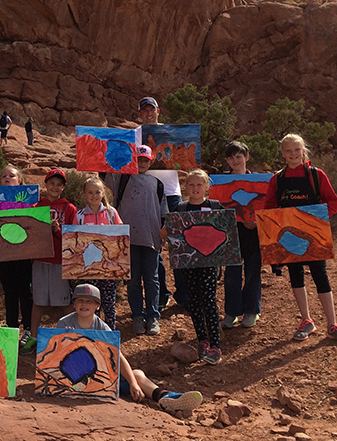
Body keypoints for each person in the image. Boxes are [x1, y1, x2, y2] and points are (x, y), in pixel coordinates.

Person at [263, 134, 337, 344]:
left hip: (313, 235)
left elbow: (333, 202)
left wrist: (318, 221)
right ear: (283, 153)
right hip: (289, 238)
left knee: (320, 274)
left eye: (297, 150)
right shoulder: (278, 179)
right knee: (296, 276)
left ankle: (332, 324)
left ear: (303, 151)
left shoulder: (316, 175)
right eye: (288, 151)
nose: (293, 154)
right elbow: (269, 207)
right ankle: (306, 320)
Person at [57, 284, 203, 413]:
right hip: (73, 381)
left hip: (100, 380)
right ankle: (168, 398)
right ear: (74, 304)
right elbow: (57, 358)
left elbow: (117, 356)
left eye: (89, 301)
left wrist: (133, 383)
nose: (84, 304)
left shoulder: (102, 327)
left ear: (97, 306)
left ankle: (166, 397)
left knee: (137, 375)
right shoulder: (64, 323)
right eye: (80, 301)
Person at [104, 145, 169, 336]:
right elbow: (108, 192)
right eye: (138, 159)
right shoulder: (122, 179)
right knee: (132, 281)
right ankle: (137, 316)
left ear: (150, 162)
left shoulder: (157, 184)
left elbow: (164, 211)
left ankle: (153, 316)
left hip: (151, 238)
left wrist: (164, 232)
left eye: (145, 160)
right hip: (127, 238)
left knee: (152, 279)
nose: (141, 163)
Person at [137, 96, 185, 312]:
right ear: (140, 113)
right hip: (147, 194)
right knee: (153, 246)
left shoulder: (172, 133)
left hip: (172, 193)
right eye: (144, 110)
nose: (149, 113)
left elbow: (185, 157)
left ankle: (183, 295)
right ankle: (162, 294)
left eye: (152, 109)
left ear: (159, 111)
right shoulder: (135, 134)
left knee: (179, 244)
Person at [175, 170, 224, 365]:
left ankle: (216, 344)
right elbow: (171, 233)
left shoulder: (214, 206)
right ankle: (202, 340)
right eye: (192, 185)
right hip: (188, 263)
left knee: (209, 300)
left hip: (209, 264)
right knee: (194, 301)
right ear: (186, 187)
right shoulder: (181, 208)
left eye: (199, 185)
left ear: (206, 187)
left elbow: (224, 232)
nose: (195, 189)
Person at [29, 169, 77, 347]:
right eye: (51, 183)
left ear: (63, 187)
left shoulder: (70, 209)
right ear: (45, 185)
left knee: (65, 300)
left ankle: (73, 336)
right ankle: (33, 338)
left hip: (60, 261)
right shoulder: (35, 208)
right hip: (40, 260)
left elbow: (74, 238)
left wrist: (58, 230)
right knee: (38, 301)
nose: (55, 187)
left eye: (59, 184)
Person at [219, 141, 263, 329]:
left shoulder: (260, 183)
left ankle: (252, 311)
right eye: (231, 157)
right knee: (232, 274)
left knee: (253, 272)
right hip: (230, 234)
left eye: (239, 156)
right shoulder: (220, 183)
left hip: (254, 234)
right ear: (227, 161)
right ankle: (231, 312)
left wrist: (256, 222)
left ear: (246, 157)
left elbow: (267, 209)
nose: (235, 160)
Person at [0, 165, 37, 354]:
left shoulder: (30, 200)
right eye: (4, 176)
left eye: (11, 175)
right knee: (9, 293)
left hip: (23, 254)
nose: (7, 178)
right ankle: (12, 329)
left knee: (25, 293)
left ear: (19, 180)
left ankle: (27, 329)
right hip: (3, 254)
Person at [75, 176, 123, 330]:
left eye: (97, 192)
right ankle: (92, 334)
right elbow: (74, 240)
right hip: (88, 270)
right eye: (90, 192)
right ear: (84, 194)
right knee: (90, 302)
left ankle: (109, 336)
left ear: (103, 193)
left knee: (108, 304)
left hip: (109, 269)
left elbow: (121, 236)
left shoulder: (111, 213)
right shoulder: (80, 216)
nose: (94, 196)